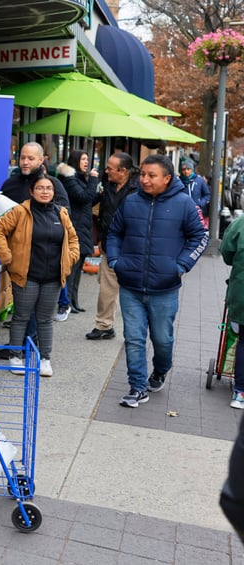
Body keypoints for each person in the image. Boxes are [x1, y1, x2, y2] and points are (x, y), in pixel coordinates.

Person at [107, 154, 208, 408]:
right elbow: (114, 232)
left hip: (164, 288)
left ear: (167, 178)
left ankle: (161, 370)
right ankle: (137, 387)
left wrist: (181, 266)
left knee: (162, 340)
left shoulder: (184, 204)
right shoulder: (131, 202)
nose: (145, 180)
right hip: (130, 285)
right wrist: (115, 260)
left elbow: (200, 237)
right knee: (134, 338)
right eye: (142, 174)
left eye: (151, 175)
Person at [0, 172, 79, 378]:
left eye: (48, 188)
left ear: (54, 192)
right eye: (40, 188)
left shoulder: (61, 214)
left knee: (45, 320)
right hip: (26, 276)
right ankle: (15, 356)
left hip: (53, 278)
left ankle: (44, 359)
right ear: (31, 191)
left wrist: (70, 259)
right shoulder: (20, 212)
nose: (44, 192)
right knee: (21, 317)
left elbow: (73, 240)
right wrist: (7, 256)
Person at [0, 142, 70, 356]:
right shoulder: (10, 184)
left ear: (41, 160)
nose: (25, 162)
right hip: (19, 258)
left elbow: (67, 219)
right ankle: (23, 344)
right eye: (22, 157)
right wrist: (6, 252)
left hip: (46, 259)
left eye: (30, 158)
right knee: (23, 307)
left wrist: (68, 256)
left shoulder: (52, 184)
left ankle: (25, 345)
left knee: (38, 309)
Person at [86, 152, 139, 341]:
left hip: (133, 247)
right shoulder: (106, 183)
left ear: (123, 171)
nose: (106, 170)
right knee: (107, 287)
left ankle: (135, 329)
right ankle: (104, 326)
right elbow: (88, 201)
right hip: (109, 244)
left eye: (110, 168)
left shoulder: (140, 187)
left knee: (132, 290)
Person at [56, 150, 99, 313]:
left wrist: (99, 195)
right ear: (75, 161)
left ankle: (74, 300)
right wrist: (94, 180)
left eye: (87, 159)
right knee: (71, 269)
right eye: (83, 159)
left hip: (83, 227)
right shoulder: (68, 178)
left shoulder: (79, 178)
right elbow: (82, 197)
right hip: (75, 228)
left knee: (78, 267)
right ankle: (66, 302)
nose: (86, 162)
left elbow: (88, 200)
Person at [220, 213, 244, 409]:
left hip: (241, 292)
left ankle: (240, 392)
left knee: (243, 339)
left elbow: (227, 254)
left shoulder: (239, 225)